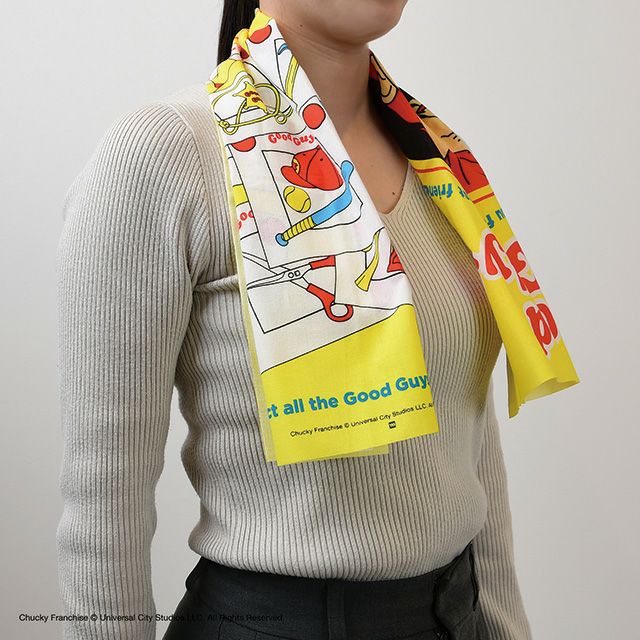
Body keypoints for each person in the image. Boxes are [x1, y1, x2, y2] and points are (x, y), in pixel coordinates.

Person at [55, 0, 533, 638]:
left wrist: (505, 626)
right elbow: (104, 500)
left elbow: (470, 435)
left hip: (454, 616)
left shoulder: (437, 159)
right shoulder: (167, 154)